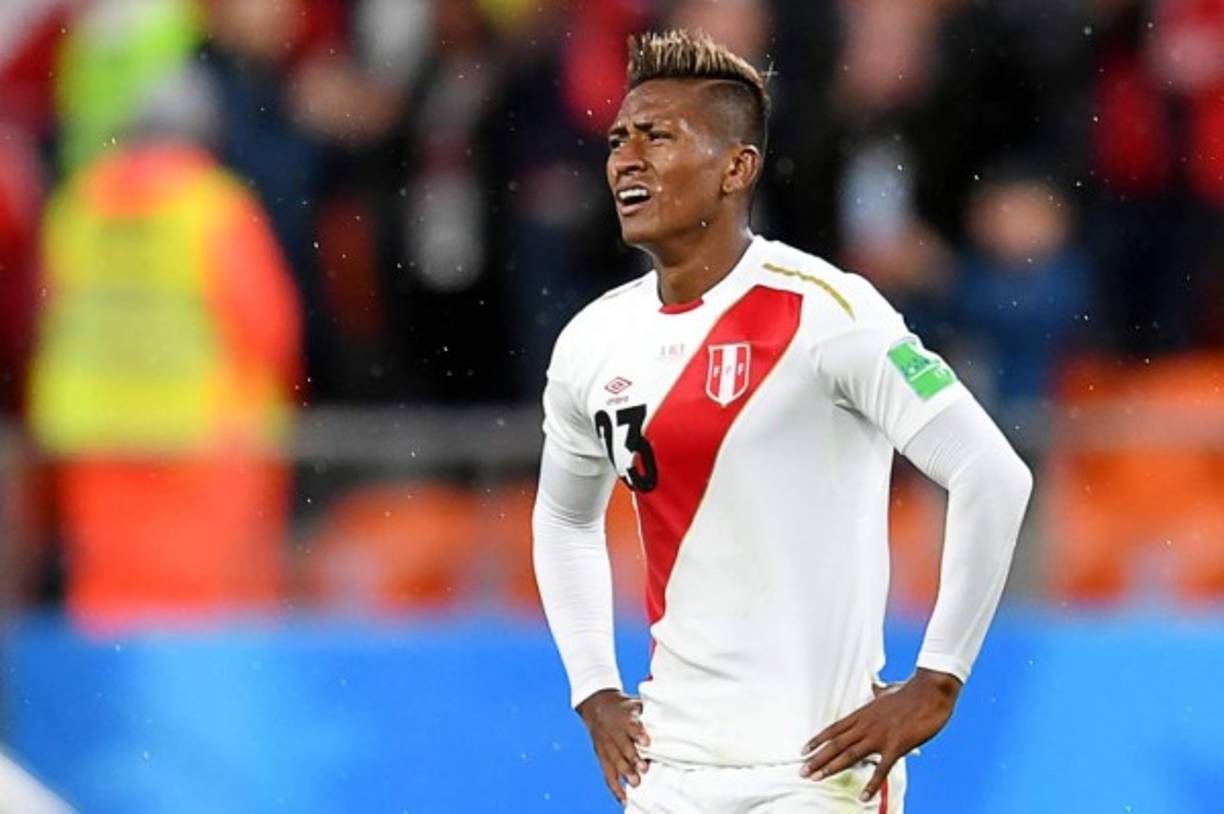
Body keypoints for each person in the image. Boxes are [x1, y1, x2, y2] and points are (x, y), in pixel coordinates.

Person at [532, 30, 1032, 812]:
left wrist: (938, 680)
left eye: (659, 136)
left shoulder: (829, 312)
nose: (626, 159)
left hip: (816, 774)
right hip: (670, 773)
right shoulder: (592, 342)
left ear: (737, 168)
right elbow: (564, 516)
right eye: (618, 139)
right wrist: (594, 688)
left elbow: (992, 472)